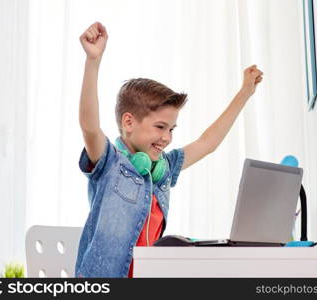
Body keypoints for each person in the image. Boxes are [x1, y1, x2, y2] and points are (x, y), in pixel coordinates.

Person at [75, 21, 263, 278]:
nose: (167, 138)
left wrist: (245, 93)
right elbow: (89, 126)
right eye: (160, 127)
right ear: (128, 122)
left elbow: (207, 143)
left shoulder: (162, 168)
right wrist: (93, 61)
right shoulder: (109, 163)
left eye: (172, 129)